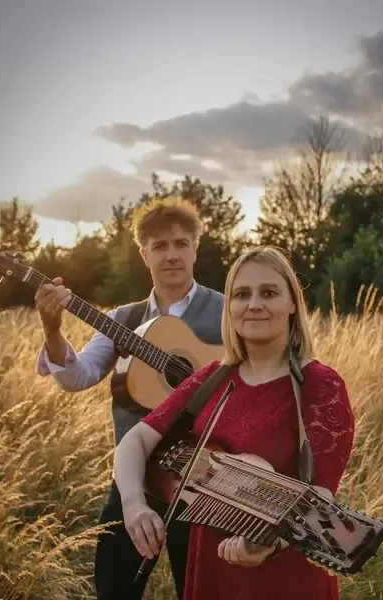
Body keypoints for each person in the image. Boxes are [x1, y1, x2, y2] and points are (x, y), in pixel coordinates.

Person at [113, 246, 356, 600]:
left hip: (284, 581)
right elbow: (134, 442)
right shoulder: (212, 377)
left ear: (292, 304)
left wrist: (267, 545)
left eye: (269, 292)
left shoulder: (320, 385)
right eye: (242, 294)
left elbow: (319, 497)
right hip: (211, 572)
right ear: (230, 308)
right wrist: (134, 504)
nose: (254, 304)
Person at [33, 197, 225, 600]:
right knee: (114, 589)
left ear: (195, 248)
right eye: (159, 246)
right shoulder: (124, 319)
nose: (171, 255)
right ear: (144, 254)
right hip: (134, 479)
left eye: (179, 243)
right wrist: (53, 331)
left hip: (209, 482)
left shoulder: (229, 312)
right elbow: (78, 376)